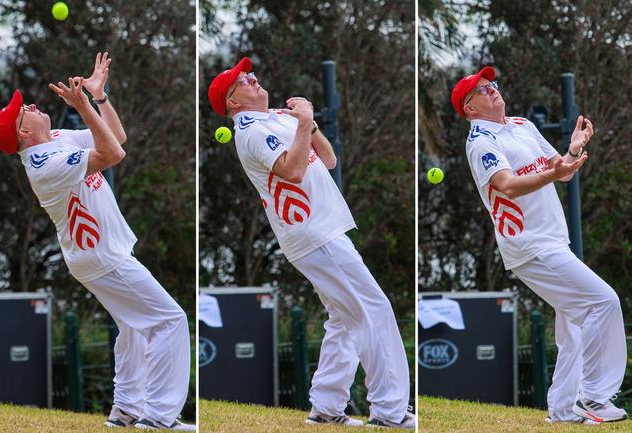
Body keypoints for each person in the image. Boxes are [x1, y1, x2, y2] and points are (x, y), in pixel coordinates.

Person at [0, 52, 194, 431]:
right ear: (23, 132)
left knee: (132, 326)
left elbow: (117, 138)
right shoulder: (42, 164)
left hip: (99, 254)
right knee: (170, 320)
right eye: (25, 110)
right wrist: (83, 106)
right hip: (101, 256)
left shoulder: (55, 139)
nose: (32, 105)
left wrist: (99, 100)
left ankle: (126, 411)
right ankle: (160, 417)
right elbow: (113, 155)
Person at [208, 57, 414, 429]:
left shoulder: (275, 119)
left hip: (323, 230)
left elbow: (330, 159)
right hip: (313, 233)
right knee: (373, 309)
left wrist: (309, 123)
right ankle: (390, 411)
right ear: (232, 103)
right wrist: (302, 121)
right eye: (244, 82)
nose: (254, 81)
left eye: (253, 75)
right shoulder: (251, 131)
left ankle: (326, 407)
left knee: (342, 319)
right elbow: (293, 170)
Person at [452, 66, 628, 424]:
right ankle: (593, 398)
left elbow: (557, 166)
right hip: (530, 246)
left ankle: (562, 411)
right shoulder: (481, 141)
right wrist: (556, 172)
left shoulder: (520, 124)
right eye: (483, 90)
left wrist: (572, 151)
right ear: (469, 108)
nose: (493, 91)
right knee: (603, 301)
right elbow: (507, 185)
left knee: (574, 328)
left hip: (553, 240)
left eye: (492, 85)